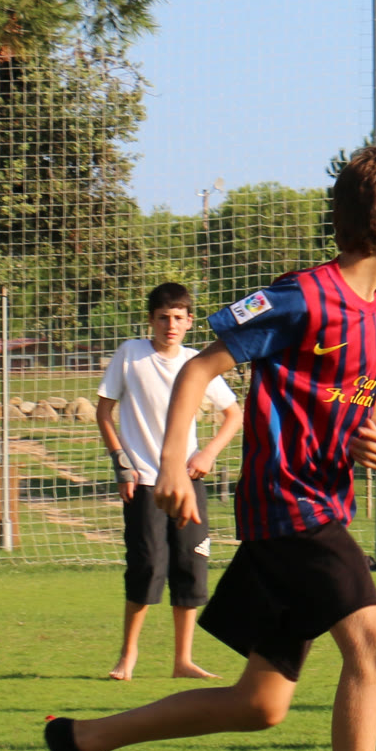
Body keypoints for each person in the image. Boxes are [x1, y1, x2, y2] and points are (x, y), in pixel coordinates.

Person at [43, 145, 376, 751]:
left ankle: (81, 740)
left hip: (322, 508)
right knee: (375, 649)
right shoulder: (300, 297)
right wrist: (173, 463)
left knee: (260, 702)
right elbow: (199, 369)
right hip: (287, 507)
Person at [96, 283, 242, 680]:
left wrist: (207, 454)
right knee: (147, 566)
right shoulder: (130, 354)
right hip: (145, 482)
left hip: (188, 482)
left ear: (190, 321)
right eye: (163, 318)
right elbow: (104, 413)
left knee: (190, 565)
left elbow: (234, 415)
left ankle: (183, 661)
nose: (170, 325)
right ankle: (127, 655)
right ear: (151, 320)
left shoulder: (197, 362)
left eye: (178, 318)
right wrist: (122, 465)